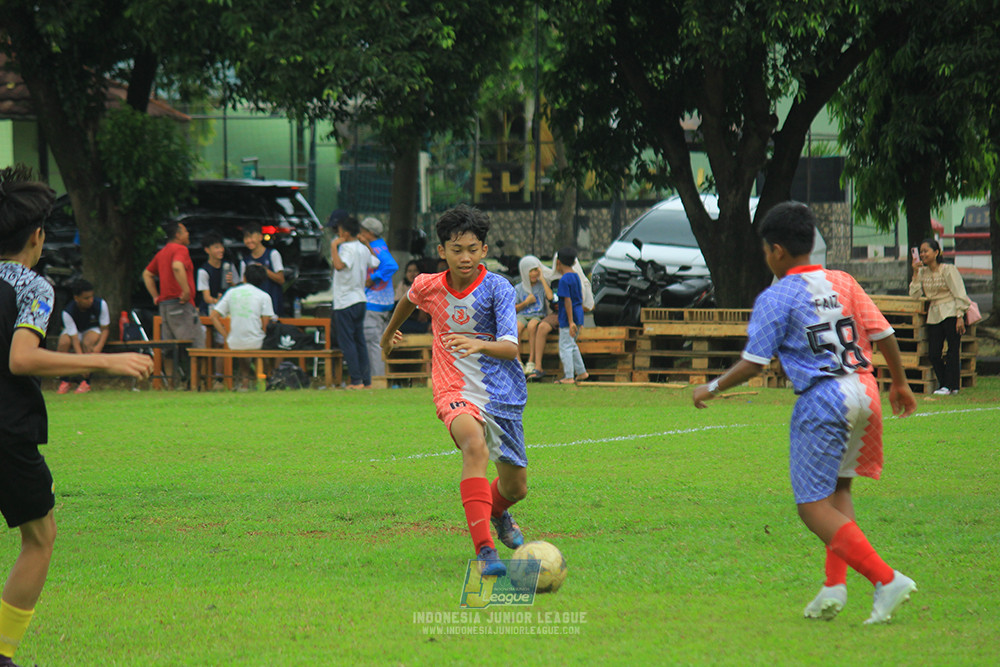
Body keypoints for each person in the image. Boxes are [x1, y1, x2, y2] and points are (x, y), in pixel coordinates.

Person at [691, 201, 918, 624]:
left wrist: (713, 386)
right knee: (839, 491)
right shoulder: (843, 281)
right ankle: (834, 587)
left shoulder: (776, 298)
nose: (765, 257)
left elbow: (755, 363)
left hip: (823, 399)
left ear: (776, 250)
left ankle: (886, 579)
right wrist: (901, 384)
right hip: (865, 392)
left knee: (812, 507)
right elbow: (883, 333)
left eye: (764, 251)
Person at [0, 166, 152, 667]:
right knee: (39, 537)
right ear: (37, 236)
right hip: (7, 429)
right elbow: (21, 358)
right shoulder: (33, 287)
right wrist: (105, 360)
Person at [380, 204, 528, 576]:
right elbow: (409, 300)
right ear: (442, 250)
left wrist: (479, 344)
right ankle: (486, 552)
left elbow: (511, 347)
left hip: (500, 393)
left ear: (484, 251)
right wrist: (387, 336)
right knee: (473, 447)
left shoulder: (498, 288)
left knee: (515, 488)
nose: (465, 257)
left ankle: (496, 511)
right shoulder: (428, 285)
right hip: (453, 387)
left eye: (473, 249)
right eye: (456, 249)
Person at [142, 220, 206, 384]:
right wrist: (185, 290)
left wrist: (155, 296)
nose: (188, 234)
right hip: (181, 305)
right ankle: (195, 383)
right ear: (178, 235)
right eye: (185, 231)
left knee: (169, 347)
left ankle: (170, 384)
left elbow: (147, 274)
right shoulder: (180, 249)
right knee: (194, 345)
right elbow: (177, 266)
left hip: (164, 306)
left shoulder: (162, 252)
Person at [908, 238, 972, 395]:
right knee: (934, 353)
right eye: (921, 251)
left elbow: (959, 293)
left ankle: (951, 386)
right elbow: (914, 294)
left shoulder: (948, 269)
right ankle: (946, 384)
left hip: (951, 311)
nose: (923, 254)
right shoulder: (922, 272)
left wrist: (959, 316)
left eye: (926, 251)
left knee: (952, 350)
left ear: (936, 252)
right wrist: (915, 273)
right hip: (934, 313)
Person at [209, 263, 276, 389]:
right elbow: (265, 325)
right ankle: (266, 379)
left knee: (243, 343)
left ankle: (245, 383)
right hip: (256, 342)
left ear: (244, 277)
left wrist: (226, 336)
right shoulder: (264, 296)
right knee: (262, 344)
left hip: (233, 342)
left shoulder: (231, 292)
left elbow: (213, 316)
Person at [331, 215, 379, 389]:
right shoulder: (362, 249)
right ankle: (366, 381)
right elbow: (375, 262)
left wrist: (333, 247)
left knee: (347, 342)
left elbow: (339, 265)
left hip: (345, 301)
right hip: (360, 300)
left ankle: (356, 380)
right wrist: (367, 244)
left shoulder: (346, 249)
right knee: (359, 341)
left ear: (344, 232)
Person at [359, 217, 398, 380]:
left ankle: (376, 380)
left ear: (368, 233)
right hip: (383, 302)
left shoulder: (376, 247)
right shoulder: (381, 245)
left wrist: (374, 277)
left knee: (373, 344)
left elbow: (391, 265)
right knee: (377, 343)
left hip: (374, 302)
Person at [55, 278, 110, 394]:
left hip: (91, 329)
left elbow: (105, 329)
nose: (90, 300)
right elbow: (74, 338)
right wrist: (82, 362)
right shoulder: (67, 312)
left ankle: (86, 382)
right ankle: (65, 380)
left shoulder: (100, 304)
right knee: (63, 343)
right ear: (76, 298)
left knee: (88, 342)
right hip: (75, 332)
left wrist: (98, 347)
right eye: (86, 298)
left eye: (91, 297)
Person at [553, 247, 589, 384]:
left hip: (569, 317)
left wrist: (570, 322)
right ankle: (581, 372)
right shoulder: (575, 276)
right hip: (578, 314)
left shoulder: (564, 280)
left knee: (565, 346)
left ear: (558, 262)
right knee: (572, 344)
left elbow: (567, 300)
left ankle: (568, 376)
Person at [514, 255, 553, 376]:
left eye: (537, 270)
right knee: (516, 327)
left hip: (537, 315)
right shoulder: (519, 288)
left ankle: (531, 361)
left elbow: (550, 296)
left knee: (532, 326)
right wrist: (526, 302)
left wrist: (543, 279)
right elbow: (513, 309)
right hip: (522, 315)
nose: (534, 274)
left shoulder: (541, 286)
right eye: (531, 271)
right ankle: (518, 361)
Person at [239, 222, 285, 316]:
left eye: (252, 237)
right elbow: (243, 286)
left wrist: (264, 270)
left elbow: (281, 280)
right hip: (253, 310)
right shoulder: (245, 261)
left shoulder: (272, 254)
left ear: (260, 237)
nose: (249, 241)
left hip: (273, 306)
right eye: (246, 238)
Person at [196, 232, 235, 317]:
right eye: (216, 247)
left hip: (227, 309)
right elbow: (206, 298)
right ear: (207, 250)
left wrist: (231, 282)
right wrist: (218, 301)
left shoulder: (228, 266)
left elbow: (236, 288)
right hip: (209, 310)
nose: (221, 250)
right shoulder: (203, 271)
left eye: (221, 246)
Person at [395, 260, 430, 334]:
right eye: (409, 271)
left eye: (415, 271)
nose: (412, 274)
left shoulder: (425, 286)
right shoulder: (402, 285)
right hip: (408, 319)